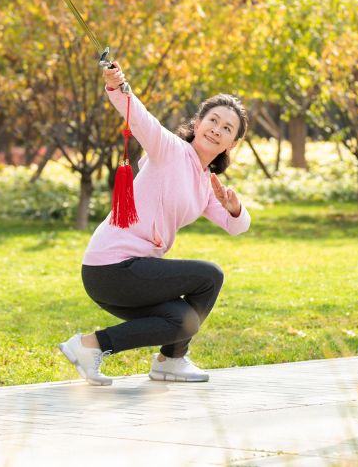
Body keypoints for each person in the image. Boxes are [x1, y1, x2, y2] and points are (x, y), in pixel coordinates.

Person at [59, 62, 251, 386]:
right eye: (213, 120)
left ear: (232, 144)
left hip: (132, 273)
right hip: (111, 267)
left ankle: (146, 357)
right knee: (210, 276)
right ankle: (163, 359)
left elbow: (238, 227)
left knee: (181, 319)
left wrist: (234, 208)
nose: (217, 129)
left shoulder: (207, 184)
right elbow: (138, 116)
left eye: (227, 128)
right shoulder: (170, 149)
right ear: (199, 123)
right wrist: (116, 85)